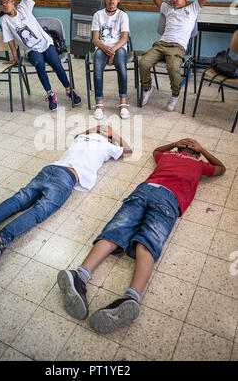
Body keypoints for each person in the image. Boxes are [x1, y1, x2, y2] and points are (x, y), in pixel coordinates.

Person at [57, 138, 225, 334]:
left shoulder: (167, 155)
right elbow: (220, 168)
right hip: (169, 198)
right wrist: (202, 148)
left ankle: (80, 275)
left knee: (114, 232)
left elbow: (156, 150)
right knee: (147, 245)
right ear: (196, 155)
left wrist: (174, 144)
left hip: (144, 189)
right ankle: (131, 296)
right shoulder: (199, 163)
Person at [0, 125, 132, 275]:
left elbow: (78, 133)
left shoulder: (82, 138)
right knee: (39, 211)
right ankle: (0, 240)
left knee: (19, 200)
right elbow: (129, 150)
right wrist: (112, 132)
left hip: (50, 169)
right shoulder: (108, 146)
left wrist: (95, 129)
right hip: (67, 178)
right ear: (108, 139)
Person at [0, 0, 81, 111]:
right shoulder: (4, 20)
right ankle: (50, 94)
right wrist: (15, 58)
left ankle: (69, 90)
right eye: (1, 3)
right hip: (31, 50)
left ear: (12, 0)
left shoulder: (24, 8)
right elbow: (11, 41)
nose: (5, 4)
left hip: (46, 43)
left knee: (56, 64)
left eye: (7, 0)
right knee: (39, 64)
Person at [139, 0, 212, 111]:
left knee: (172, 66)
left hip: (178, 47)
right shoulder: (167, 9)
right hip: (161, 44)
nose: (173, 0)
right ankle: (147, 88)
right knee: (143, 63)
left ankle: (175, 94)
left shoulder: (193, 8)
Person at [91, 0, 130, 121]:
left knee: (121, 66)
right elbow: (95, 39)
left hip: (119, 47)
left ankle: (123, 103)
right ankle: (99, 105)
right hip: (102, 47)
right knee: (97, 69)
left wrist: (112, 50)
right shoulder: (98, 15)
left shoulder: (123, 16)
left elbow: (124, 38)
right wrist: (106, 48)